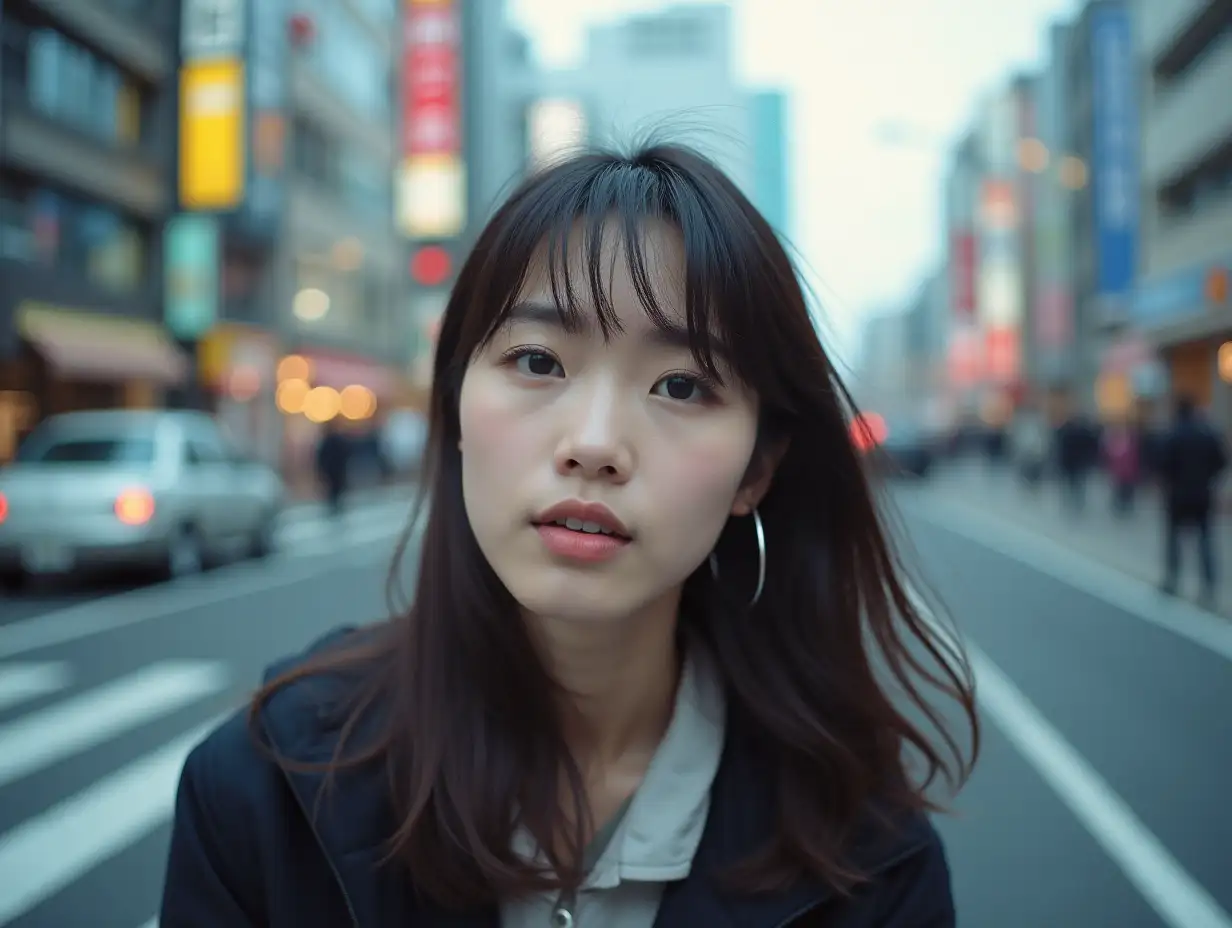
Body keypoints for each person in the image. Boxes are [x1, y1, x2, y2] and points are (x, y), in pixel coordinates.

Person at [160, 145, 979, 927]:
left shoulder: (870, 865)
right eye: (539, 362)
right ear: (454, 410)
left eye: (682, 384)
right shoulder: (268, 787)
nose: (593, 443)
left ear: (756, 471)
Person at [1158, 395, 1227, 603]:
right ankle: (1208, 587)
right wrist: (1209, 479)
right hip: (1202, 493)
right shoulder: (1207, 434)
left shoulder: (1173, 435)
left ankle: (1172, 579)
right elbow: (1221, 461)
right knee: (1205, 540)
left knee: (1174, 539)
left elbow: (1163, 464)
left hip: (1177, 494)